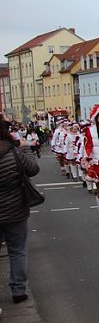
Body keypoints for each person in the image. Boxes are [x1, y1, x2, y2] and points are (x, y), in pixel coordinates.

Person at [0, 119, 39, 303]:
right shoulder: (14, 152)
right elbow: (33, 169)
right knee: (17, 251)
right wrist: (25, 149)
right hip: (15, 208)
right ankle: (18, 290)